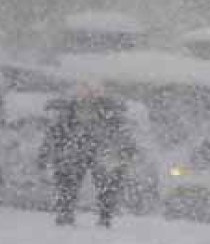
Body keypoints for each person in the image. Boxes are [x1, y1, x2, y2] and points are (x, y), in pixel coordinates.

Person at [37, 84, 137, 227]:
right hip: (76, 152)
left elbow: (124, 136)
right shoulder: (68, 113)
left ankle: (103, 216)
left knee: (107, 182)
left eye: (93, 91)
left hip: (99, 152)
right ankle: (66, 214)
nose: (89, 95)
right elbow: (53, 134)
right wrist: (45, 154)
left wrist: (126, 153)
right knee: (68, 181)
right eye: (85, 91)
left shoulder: (111, 114)